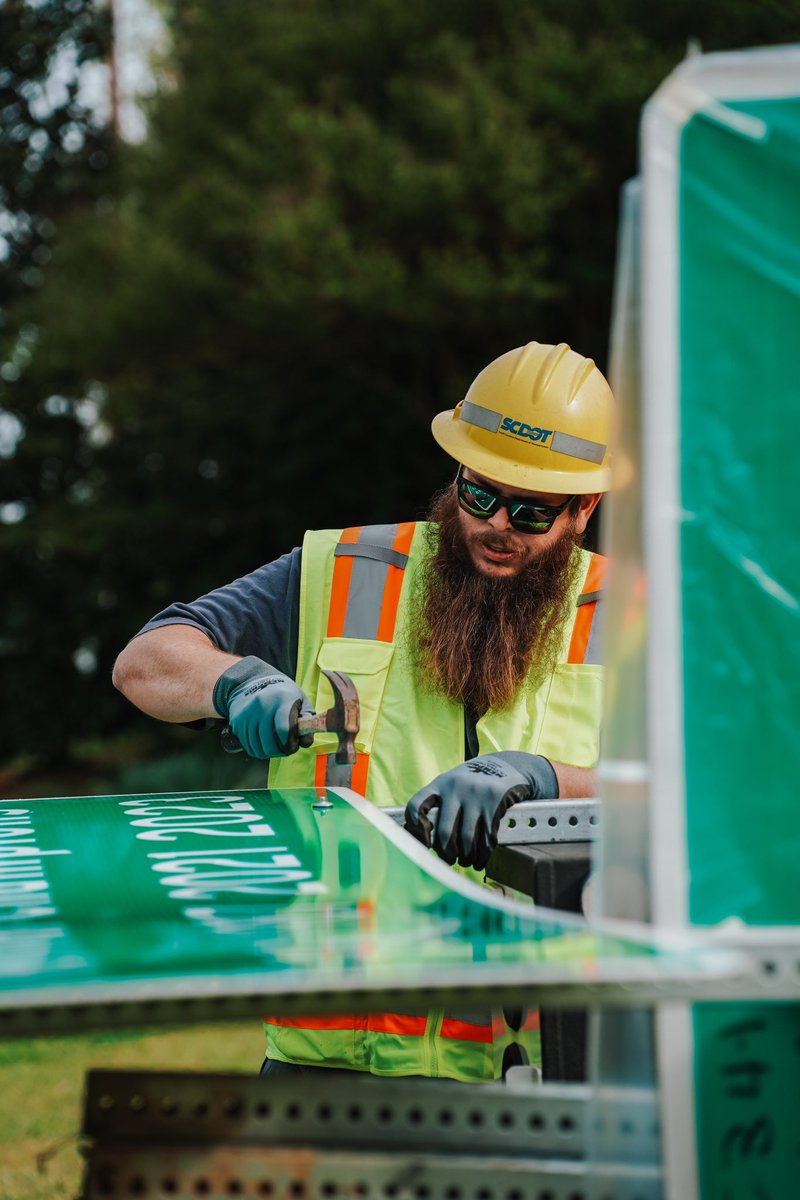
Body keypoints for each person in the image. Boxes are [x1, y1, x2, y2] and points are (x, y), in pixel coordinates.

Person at [113, 340, 614, 1083]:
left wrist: (546, 780)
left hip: (536, 1069)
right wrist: (236, 683)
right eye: (479, 494)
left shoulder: (632, 616)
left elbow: (698, 798)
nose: (496, 525)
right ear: (457, 473)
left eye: (531, 510)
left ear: (584, 510)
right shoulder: (345, 569)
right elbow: (146, 662)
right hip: (329, 1061)